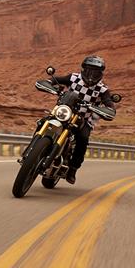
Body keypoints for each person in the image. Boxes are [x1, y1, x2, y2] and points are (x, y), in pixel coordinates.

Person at [51, 55, 116, 184]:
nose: (91, 74)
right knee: (44, 121)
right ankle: (32, 151)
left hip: (84, 120)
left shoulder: (102, 89)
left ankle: (73, 169)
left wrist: (109, 110)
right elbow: (56, 80)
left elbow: (109, 104)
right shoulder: (73, 78)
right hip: (65, 112)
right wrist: (50, 83)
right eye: (89, 69)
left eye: (95, 71)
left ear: (101, 73)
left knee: (83, 139)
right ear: (83, 69)